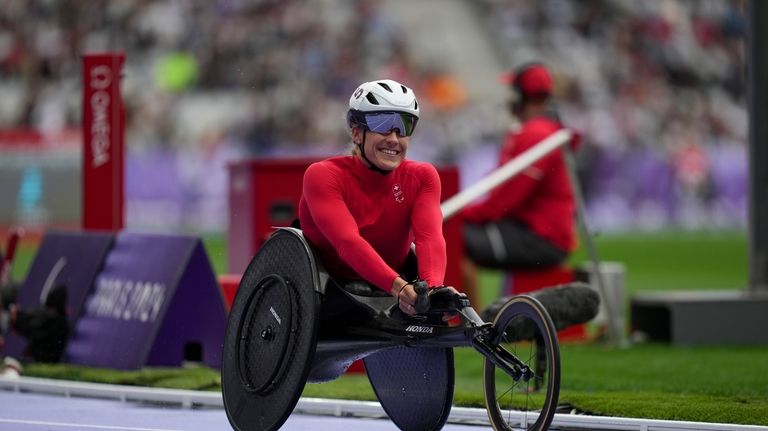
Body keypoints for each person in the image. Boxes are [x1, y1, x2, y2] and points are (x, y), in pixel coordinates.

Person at [299, 79, 461, 316]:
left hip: (390, 284)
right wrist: (400, 288)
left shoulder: (423, 176)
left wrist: (433, 290)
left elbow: (430, 238)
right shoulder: (322, 175)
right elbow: (348, 243)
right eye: (383, 124)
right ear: (356, 133)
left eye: (404, 127)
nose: (394, 139)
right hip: (330, 288)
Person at [460, 62, 578, 307]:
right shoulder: (540, 131)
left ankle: (471, 324)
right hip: (536, 232)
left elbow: (505, 201)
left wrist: (461, 215)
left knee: (456, 243)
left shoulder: (534, 135)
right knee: (456, 237)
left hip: (539, 238)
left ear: (520, 95)